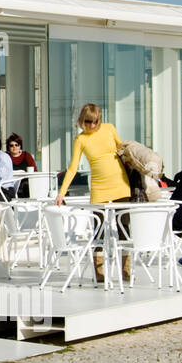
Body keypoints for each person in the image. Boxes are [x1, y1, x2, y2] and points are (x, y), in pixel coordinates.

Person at [56, 103, 132, 284]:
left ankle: (126, 271)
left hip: (120, 184)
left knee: (124, 228)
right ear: (82, 120)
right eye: (88, 121)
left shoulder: (109, 128)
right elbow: (73, 168)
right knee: (99, 230)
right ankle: (99, 272)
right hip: (99, 187)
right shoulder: (80, 139)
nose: (92, 125)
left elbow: (123, 151)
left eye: (95, 121)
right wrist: (62, 193)